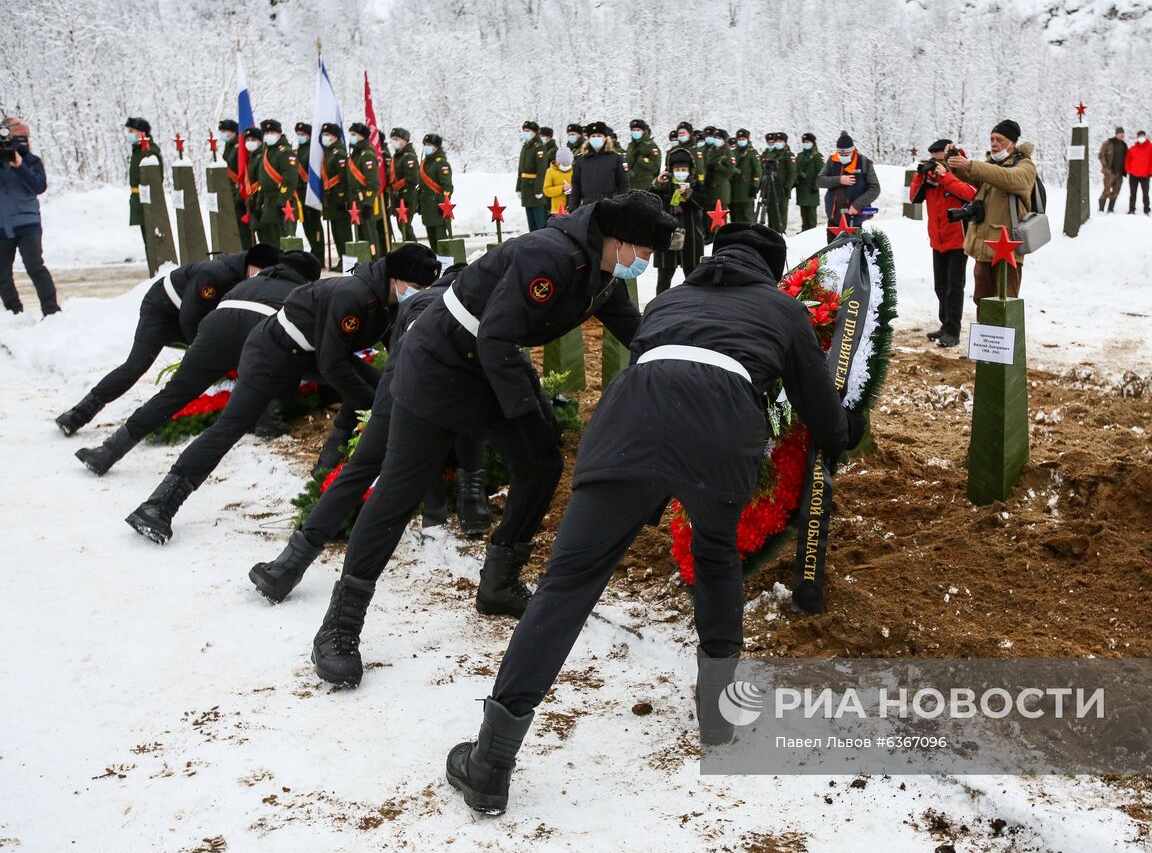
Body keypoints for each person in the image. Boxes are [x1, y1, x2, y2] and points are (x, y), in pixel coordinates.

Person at [443, 223, 864, 815]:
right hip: (719, 437)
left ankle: (491, 761)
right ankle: (719, 714)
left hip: (629, 426)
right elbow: (820, 410)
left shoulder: (670, 299)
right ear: (772, 271)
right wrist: (845, 433)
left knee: (567, 584)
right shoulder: (783, 310)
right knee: (717, 561)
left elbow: (651, 363)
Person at [307, 192, 677, 688]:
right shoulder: (549, 256)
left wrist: (680, 353)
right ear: (622, 241)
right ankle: (340, 624)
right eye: (647, 253)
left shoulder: (601, 270)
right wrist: (523, 413)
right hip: (440, 361)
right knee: (398, 490)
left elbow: (633, 330)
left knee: (542, 461)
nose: (647, 263)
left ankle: (499, 582)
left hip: (491, 360)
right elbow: (496, 336)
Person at [123, 244, 442, 545]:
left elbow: (385, 357)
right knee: (231, 426)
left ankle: (326, 466)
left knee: (378, 388)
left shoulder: (382, 301)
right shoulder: (354, 295)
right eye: (417, 285)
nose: (421, 294)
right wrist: (376, 405)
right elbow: (333, 365)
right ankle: (159, 504)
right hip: (271, 352)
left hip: (305, 355)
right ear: (397, 279)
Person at [247, 262, 493, 604]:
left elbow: (397, 350)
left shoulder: (417, 303)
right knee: (468, 409)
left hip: (400, 387)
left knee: (360, 470)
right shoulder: (485, 305)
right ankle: (472, 507)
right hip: (450, 391)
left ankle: (288, 566)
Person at [74, 252, 323, 475]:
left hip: (216, 328)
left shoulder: (249, 282)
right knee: (278, 365)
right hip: (258, 333)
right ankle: (268, 424)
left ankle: (109, 450)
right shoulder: (299, 294)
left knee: (173, 394)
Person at [54, 244, 282, 436]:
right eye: (262, 272)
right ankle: (77, 415)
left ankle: (259, 419)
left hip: (189, 316)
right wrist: (205, 352)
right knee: (135, 366)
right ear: (253, 265)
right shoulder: (215, 274)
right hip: (162, 310)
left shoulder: (242, 275)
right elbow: (191, 317)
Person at [947, 119, 1038, 306]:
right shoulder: (991, 166)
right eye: (992, 139)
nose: (994, 144)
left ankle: (1006, 337)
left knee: (1005, 303)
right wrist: (955, 162)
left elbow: (1010, 178)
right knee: (982, 302)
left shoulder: (1025, 166)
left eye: (1000, 140)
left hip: (1008, 250)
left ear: (1012, 143)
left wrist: (971, 165)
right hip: (984, 248)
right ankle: (985, 336)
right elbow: (975, 176)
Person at [910, 140, 977, 346]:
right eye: (934, 159)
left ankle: (953, 331)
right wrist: (921, 176)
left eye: (940, 158)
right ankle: (944, 325)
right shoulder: (929, 176)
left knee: (954, 287)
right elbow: (914, 198)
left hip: (958, 238)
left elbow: (971, 194)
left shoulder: (960, 169)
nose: (937, 162)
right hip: (937, 240)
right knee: (940, 286)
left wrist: (946, 176)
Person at [0, 117, 58, 317]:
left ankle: (51, 310)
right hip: (2, 226)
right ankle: (14, 312)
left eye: (25, 137)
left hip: (27, 223)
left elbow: (38, 186)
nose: (22, 141)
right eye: (17, 137)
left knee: (35, 266)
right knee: (2, 274)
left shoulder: (32, 161)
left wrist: (19, 165)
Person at [650, 148, 706, 296]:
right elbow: (651, 200)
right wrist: (657, 184)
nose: (680, 172)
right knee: (664, 278)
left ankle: (695, 304)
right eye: (677, 169)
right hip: (667, 236)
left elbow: (702, 202)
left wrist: (687, 194)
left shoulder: (695, 185)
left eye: (683, 169)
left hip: (691, 236)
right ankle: (660, 307)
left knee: (693, 275)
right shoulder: (666, 184)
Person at [816, 131, 881, 243]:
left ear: (853, 150)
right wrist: (839, 180)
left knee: (853, 254)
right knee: (832, 253)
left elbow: (875, 189)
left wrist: (857, 205)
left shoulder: (864, 163)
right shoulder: (832, 161)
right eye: (841, 154)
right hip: (834, 218)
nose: (843, 157)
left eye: (846, 154)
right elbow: (820, 181)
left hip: (854, 218)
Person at [253, 119, 297, 246]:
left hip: (283, 202)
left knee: (284, 240)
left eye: (271, 132)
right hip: (268, 202)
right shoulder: (266, 153)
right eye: (266, 133)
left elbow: (290, 180)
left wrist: (283, 200)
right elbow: (263, 181)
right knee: (270, 240)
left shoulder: (286, 153)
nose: (268, 136)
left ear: (279, 133)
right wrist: (258, 204)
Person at [567, 122, 628, 211]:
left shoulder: (616, 158)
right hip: (587, 206)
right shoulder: (581, 160)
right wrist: (572, 208)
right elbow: (576, 186)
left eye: (599, 136)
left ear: (605, 138)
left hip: (610, 205)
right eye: (593, 136)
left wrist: (620, 205)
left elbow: (623, 184)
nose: (596, 138)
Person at [124, 117, 162, 249]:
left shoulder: (148, 151)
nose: (129, 134)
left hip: (147, 199)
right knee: (147, 239)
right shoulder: (138, 150)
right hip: (139, 199)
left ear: (142, 132)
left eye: (132, 131)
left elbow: (156, 179)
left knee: (152, 239)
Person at [345, 122, 383, 256]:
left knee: (370, 236)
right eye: (351, 134)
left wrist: (368, 203)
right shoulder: (355, 154)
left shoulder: (366, 155)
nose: (351, 137)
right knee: (361, 235)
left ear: (362, 136)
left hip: (365, 201)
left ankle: (374, 261)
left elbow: (374, 183)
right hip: (356, 201)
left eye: (354, 134)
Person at [318, 123, 352, 263]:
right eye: (324, 135)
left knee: (343, 232)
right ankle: (341, 259)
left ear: (335, 137)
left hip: (339, 199)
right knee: (336, 232)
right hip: (330, 199)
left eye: (328, 135)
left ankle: (348, 260)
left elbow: (345, 178)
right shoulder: (329, 152)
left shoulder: (339, 153)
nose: (325, 137)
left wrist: (343, 197)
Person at [219, 118, 254, 249]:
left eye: (224, 131)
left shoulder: (239, 147)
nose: (222, 134)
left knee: (244, 229)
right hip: (231, 191)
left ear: (233, 132)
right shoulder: (229, 146)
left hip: (240, 190)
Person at [417, 133, 453, 250]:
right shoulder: (425, 163)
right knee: (432, 239)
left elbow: (447, 188)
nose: (426, 147)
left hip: (437, 205)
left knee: (441, 240)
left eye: (429, 145)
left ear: (436, 147)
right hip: (427, 206)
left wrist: (443, 205)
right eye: (425, 144)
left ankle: (446, 265)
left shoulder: (441, 163)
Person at [294, 122, 325, 257]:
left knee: (314, 223)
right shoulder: (297, 151)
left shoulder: (314, 151)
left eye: (303, 134)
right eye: (298, 134)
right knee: (306, 224)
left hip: (311, 191)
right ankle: (313, 248)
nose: (300, 137)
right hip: (300, 192)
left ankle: (319, 252)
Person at [385, 127, 419, 242]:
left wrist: (396, 186)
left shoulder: (408, 156)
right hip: (399, 197)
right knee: (402, 225)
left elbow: (412, 178)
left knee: (405, 225)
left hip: (407, 195)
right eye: (392, 139)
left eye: (397, 139)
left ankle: (416, 250)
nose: (394, 141)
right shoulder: (397, 156)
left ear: (405, 140)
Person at [517, 121, 549, 231]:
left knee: (540, 222)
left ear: (534, 133)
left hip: (535, 188)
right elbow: (520, 169)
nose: (525, 133)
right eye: (524, 131)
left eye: (528, 131)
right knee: (531, 223)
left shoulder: (539, 148)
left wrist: (538, 189)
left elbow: (541, 171)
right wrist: (518, 187)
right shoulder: (525, 147)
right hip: (526, 188)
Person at [729, 129, 762, 224]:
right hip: (735, 190)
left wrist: (755, 185)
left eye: (743, 138)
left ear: (747, 139)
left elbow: (758, 171)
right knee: (736, 217)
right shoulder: (733, 152)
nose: (741, 141)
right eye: (739, 139)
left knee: (748, 216)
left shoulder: (752, 153)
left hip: (747, 190)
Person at [1124, 130, 1152, 216]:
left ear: (1145, 137)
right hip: (1133, 174)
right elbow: (1127, 160)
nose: (1141, 138)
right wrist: (1128, 170)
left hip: (1145, 175)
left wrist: (1151, 172)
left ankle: (1146, 209)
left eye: (1143, 136)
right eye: (1139, 136)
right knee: (1132, 193)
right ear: (1137, 137)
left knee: (1145, 193)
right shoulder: (1133, 148)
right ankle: (1131, 209)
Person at [794, 132, 823, 231]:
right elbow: (795, 170)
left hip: (811, 189)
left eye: (808, 141)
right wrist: (798, 177)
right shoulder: (800, 156)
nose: (806, 143)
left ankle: (811, 232)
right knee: (803, 213)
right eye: (804, 142)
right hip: (801, 189)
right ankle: (804, 230)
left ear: (813, 143)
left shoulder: (817, 156)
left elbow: (821, 172)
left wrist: (816, 185)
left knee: (811, 214)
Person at [625, 119, 662, 191]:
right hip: (631, 184)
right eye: (633, 130)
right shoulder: (630, 145)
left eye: (638, 130)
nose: (635, 132)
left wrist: (640, 159)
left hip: (645, 185)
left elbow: (655, 167)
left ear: (644, 131)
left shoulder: (650, 146)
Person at [1098, 127, 1128, 213]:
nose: (1122, 135)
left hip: (1120, 172)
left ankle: (1110, 209)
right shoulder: (1108, 143)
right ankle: (1101, 210)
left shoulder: (1124, 145)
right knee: (1106, 191)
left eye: (1123, 133)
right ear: (1116, 134)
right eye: (1120, 133)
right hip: (1109, 172)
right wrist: (1106, 167)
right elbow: (1101, 155)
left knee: (1116, 191)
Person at [542, 146, 574, 215]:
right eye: (563, 164)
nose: (566, 166)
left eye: (568, 164)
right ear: (558, 162)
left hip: (573, 208)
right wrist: (562, 188)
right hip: (557, 210)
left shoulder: (574, 171)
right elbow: (546, 190)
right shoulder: (550, 171)